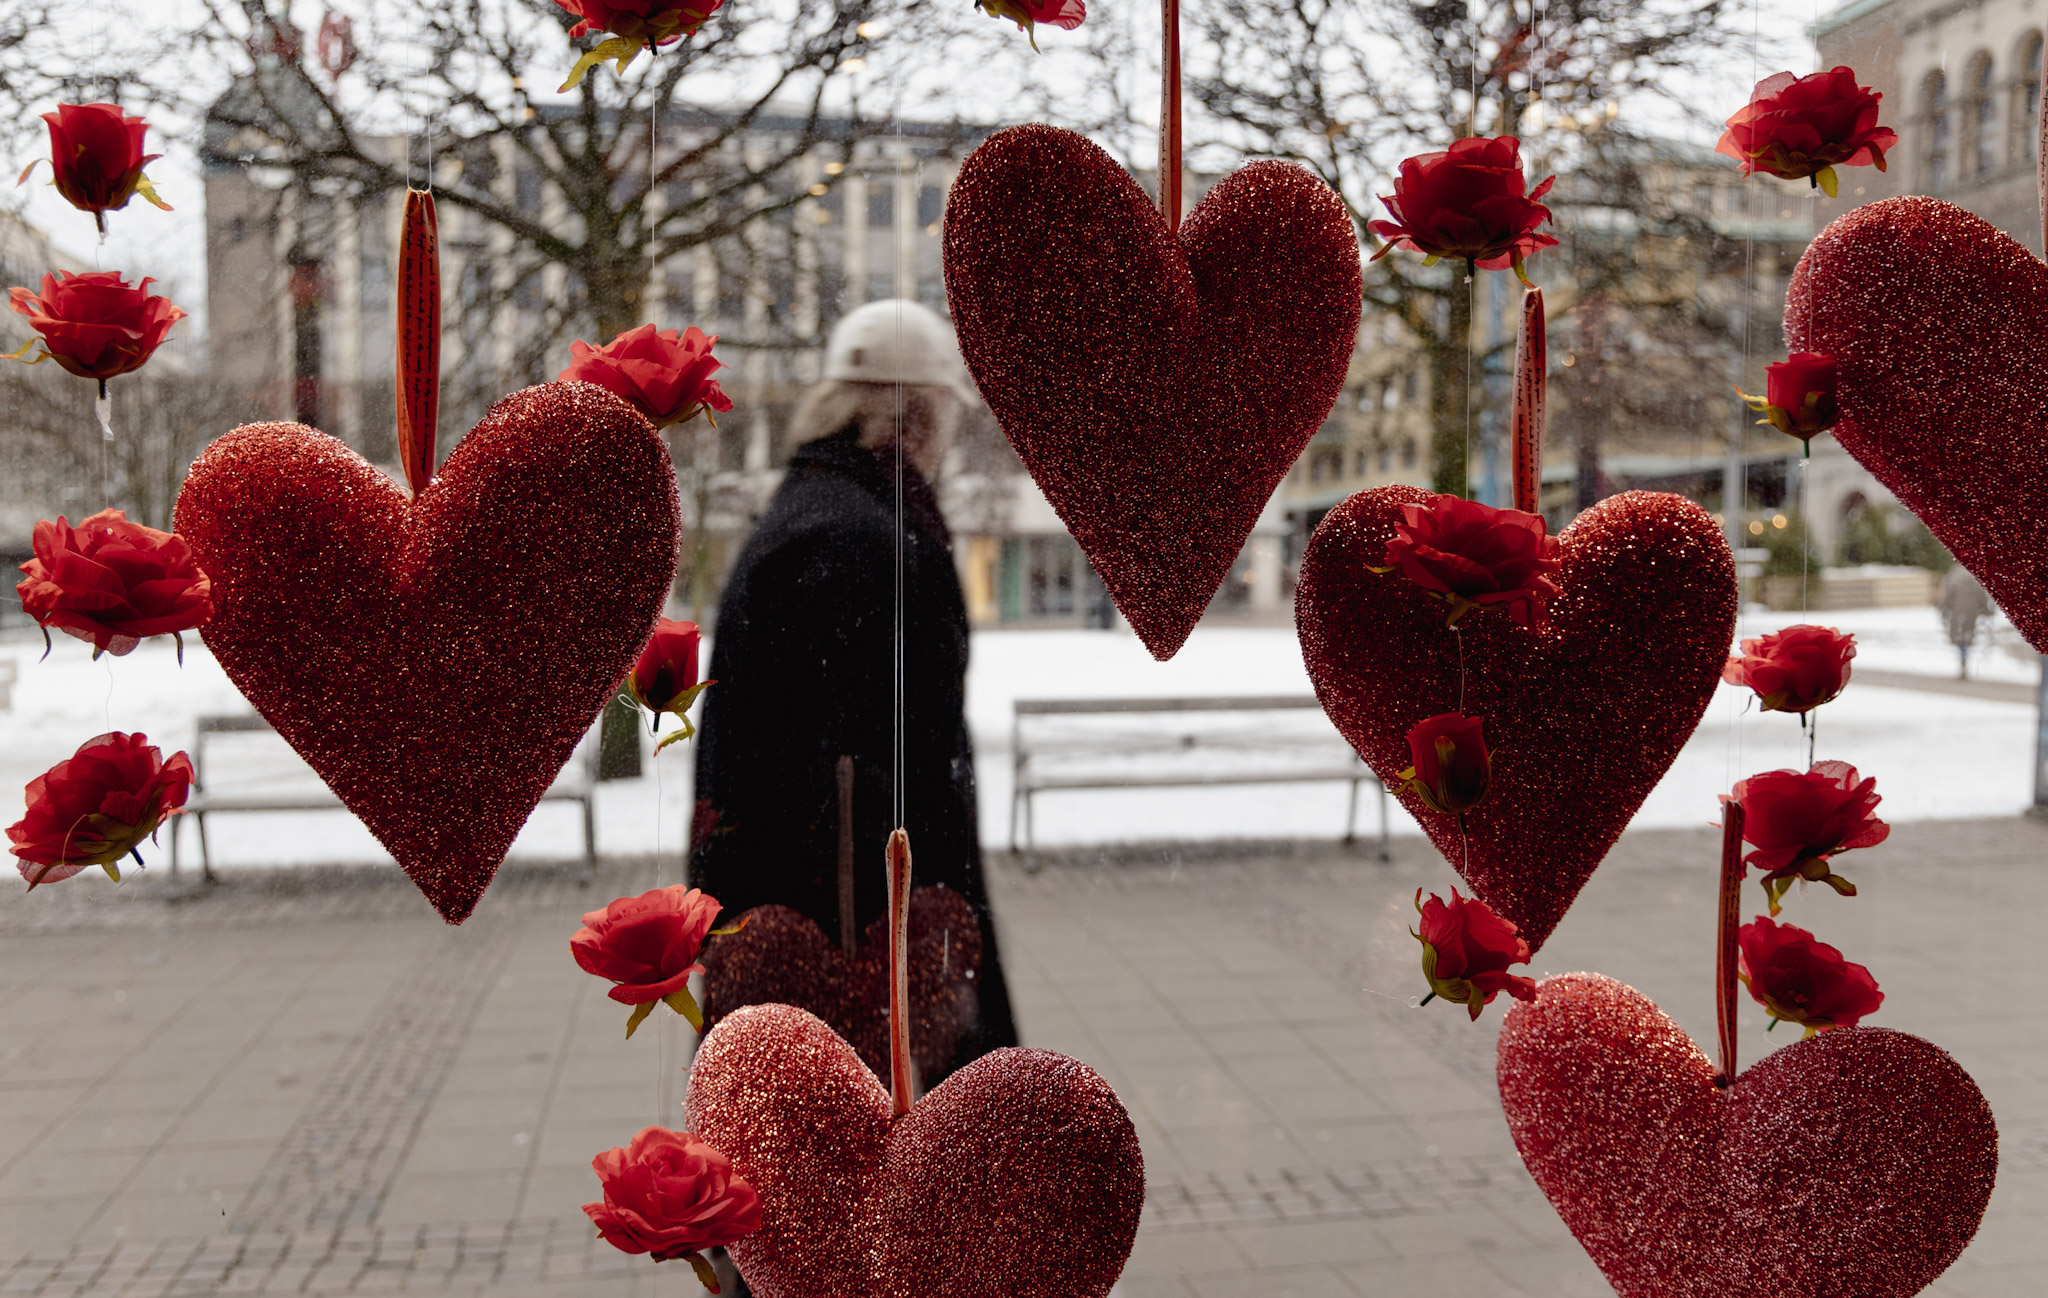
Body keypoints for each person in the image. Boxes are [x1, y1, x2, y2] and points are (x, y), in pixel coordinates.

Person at [688, 299, 1019, 1076]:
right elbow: (861, 793)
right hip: (864, 959)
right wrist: (905, 987)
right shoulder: (864, 541)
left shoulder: (811, 514)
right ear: (920, 416)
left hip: (793, 930)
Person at [1939, 563, 1992, 680]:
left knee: (1959, 637)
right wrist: (1985, 610)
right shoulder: (1975, 574)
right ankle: (1965, 657)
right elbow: (1981, 595)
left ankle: (1962, 660)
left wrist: (1943, 607)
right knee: (1967, 635)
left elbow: (1948, 593)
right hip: (1972, 611)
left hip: (1958, 611)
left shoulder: (1955, 573)